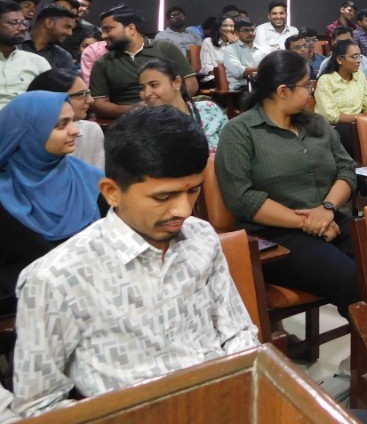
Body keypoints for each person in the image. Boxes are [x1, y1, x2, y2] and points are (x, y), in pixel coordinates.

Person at [14, 106, 258, 416]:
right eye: (163, 197)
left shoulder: (201, 236)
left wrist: (239, 393)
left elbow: (237, 332)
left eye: (193, 191)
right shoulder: (56, 279)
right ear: (112, 192)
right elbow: (39, 405)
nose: (183, 210)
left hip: (222, 402)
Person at [216, 51, 364, 327]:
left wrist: (327, 209)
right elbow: (242, 198)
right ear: (283, 91)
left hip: (329, 217)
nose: (311, 92)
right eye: (306, 85)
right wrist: (308, 221)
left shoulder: (317, 123)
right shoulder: (240, 131)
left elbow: (346, 168)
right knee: (351, 277)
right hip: (274, 235)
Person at [0, 92, 103, 319]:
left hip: (100, 305)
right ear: (27, 133)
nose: (75, 131)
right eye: (61, 125)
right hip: (26, 315)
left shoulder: (91, 180)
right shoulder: (3, 196)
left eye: (72, 121)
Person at [90, 5, 197, 119]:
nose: (103, 35)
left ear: (131, 28)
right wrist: (133, 109)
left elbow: (191, 84)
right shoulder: (103, 63)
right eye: (103, 31)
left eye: (108, 29)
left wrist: (165, 106)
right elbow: (99, 104)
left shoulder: (166, 49)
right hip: (129, 120)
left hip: (172, 115)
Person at [139, 58, 228, 151]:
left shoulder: (209, 110)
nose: (146, 94)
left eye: (154, 85)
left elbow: (231, 147)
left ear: (177, 83)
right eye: (142, 88)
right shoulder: (143, 125)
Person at [26, 69, 104, 169]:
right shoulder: (24, 139)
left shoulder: (91, 130)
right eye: (81, 95)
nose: (90, 100)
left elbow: (97, 176)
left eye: (88, 93)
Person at [314, 39, 367, 156]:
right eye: (354, 57)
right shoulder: (326, 80)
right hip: (334, 127)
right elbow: (331, 116)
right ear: (339, 59)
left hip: (358, 124)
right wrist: (359, 118)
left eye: (359, 56)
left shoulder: (360, 76)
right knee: (347, 133)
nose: (358, 61)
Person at [0, 0, 51, 110]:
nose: (23, 28)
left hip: (26, 117)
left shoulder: (37, 62)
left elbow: (50, 100)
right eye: (14, 22)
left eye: (24, 23)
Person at [19, 4, 76, 70]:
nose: (70, 33)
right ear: (49, 22)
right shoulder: (13, 44)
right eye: (67, 27)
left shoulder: (64, 57)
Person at [222, 17, 268, 90]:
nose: (250, 33)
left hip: (261, 86)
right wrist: (263, 69)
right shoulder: (230, 49)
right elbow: (238, 72)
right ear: (236, 33)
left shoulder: (263, 51)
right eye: (246, 30)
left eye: (252, 30)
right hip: (240, 89)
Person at [199, 14, 236, 82]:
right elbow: (207, 67)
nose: (229, 29)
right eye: (225, 25)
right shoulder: (208, 42)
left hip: (234, 78)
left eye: (231, 26)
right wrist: (224, 74)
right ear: (218, 27)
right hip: (214, 78)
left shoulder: (236, 43)